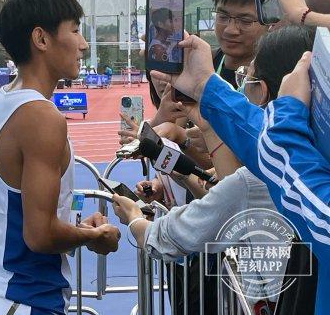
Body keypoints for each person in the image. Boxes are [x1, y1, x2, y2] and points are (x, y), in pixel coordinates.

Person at [114, 25, 316, 314]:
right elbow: (227, 183)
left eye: (246, 78)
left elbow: (167, 238)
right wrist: (207, 121)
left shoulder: (260, 176)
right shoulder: (309, 158)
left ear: (262, 92)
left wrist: (134, 218)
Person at [0, 0, 120, 315]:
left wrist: (78, 227)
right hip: (24, 300)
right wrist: (93, 237)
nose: (82, 44)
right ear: (41, 39)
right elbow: (39, 235)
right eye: (76, 31)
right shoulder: (41, 117)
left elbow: (23, 211)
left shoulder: (2, 102)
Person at [209, 0, 282, 88]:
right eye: (223, 16)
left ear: (271, 22)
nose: (230, 30)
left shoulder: (279, 82)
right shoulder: (202, 67)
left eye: (245, 21)